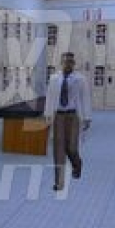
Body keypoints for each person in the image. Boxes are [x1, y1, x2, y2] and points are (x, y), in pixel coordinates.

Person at [44, 52, 91, 191]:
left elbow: (85, 98)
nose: (67, 64)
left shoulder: (80, 79)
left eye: (70, 62)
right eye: (65, 61)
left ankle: (77, 164)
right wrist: (48, 114)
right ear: (61, 63)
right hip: (58, 116)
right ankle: (59, 183)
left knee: (72, 148)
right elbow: (50, 97)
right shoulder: (54, 78)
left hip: (73, 116)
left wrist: (87, 117)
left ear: (73, 64)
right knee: (59, 150)